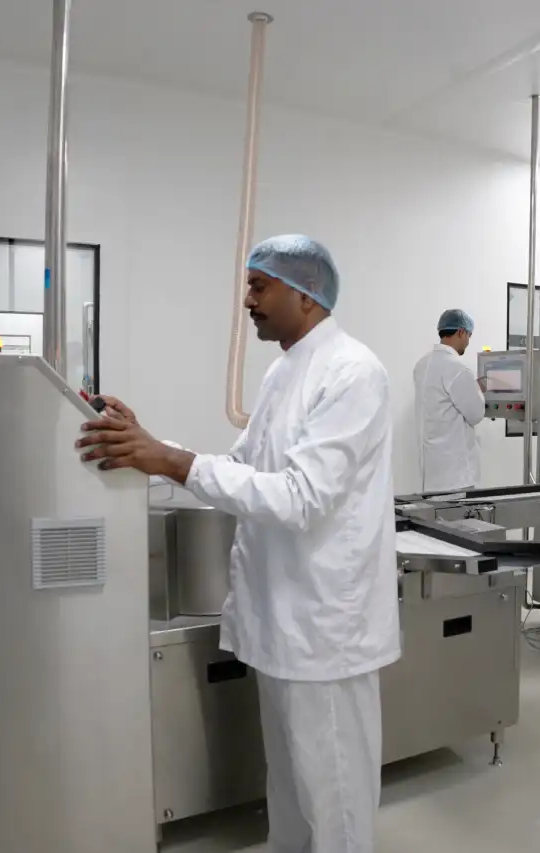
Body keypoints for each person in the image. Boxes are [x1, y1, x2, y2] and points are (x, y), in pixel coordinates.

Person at [77, 235, 400, 853]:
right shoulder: (283, 372)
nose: (247, 301)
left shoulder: (353, 372)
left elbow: (302, 497)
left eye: (259, 286)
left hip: (326, 631)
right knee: (292, 787)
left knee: (334, 798)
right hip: (280, 622)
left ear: (305, 295)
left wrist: (172, 461)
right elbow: (242, 467)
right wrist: (148, 447)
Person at [412, 309, 485, 493]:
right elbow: (476, 414)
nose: (468, 342)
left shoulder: (422, 365)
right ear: (461, 332)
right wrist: (478, 390)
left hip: (431, 473)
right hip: (456, 476)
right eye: (469, 336)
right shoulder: (458, 368)